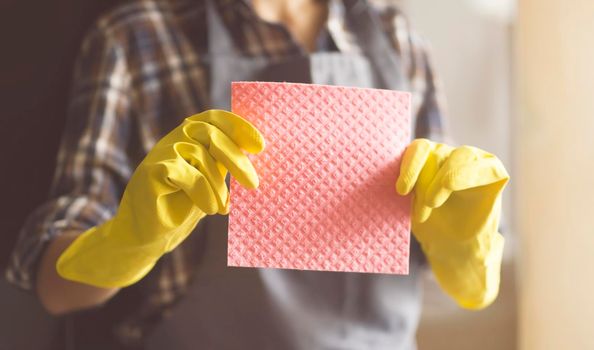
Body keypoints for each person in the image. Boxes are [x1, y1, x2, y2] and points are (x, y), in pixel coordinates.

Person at [6, 0, 509, 349]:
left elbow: (460, 283)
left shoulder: (396, 40)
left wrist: (466, 242)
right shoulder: (137, 37)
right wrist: (125, 241)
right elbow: (55, 288)